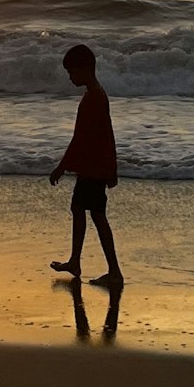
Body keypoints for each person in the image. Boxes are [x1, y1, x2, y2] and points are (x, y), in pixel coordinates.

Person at [48, 41, 123, 286]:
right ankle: (76, 260)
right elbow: (104, 135)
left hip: (94, 169)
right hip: (94, 168)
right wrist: (111, 168)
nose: (70, 77)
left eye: (72, 72)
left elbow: (82, 138)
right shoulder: (95, 95)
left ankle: (114, 271)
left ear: (85, 68)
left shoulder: (95, 98)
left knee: (98, 217)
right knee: (80, 210)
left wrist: (62, 166)